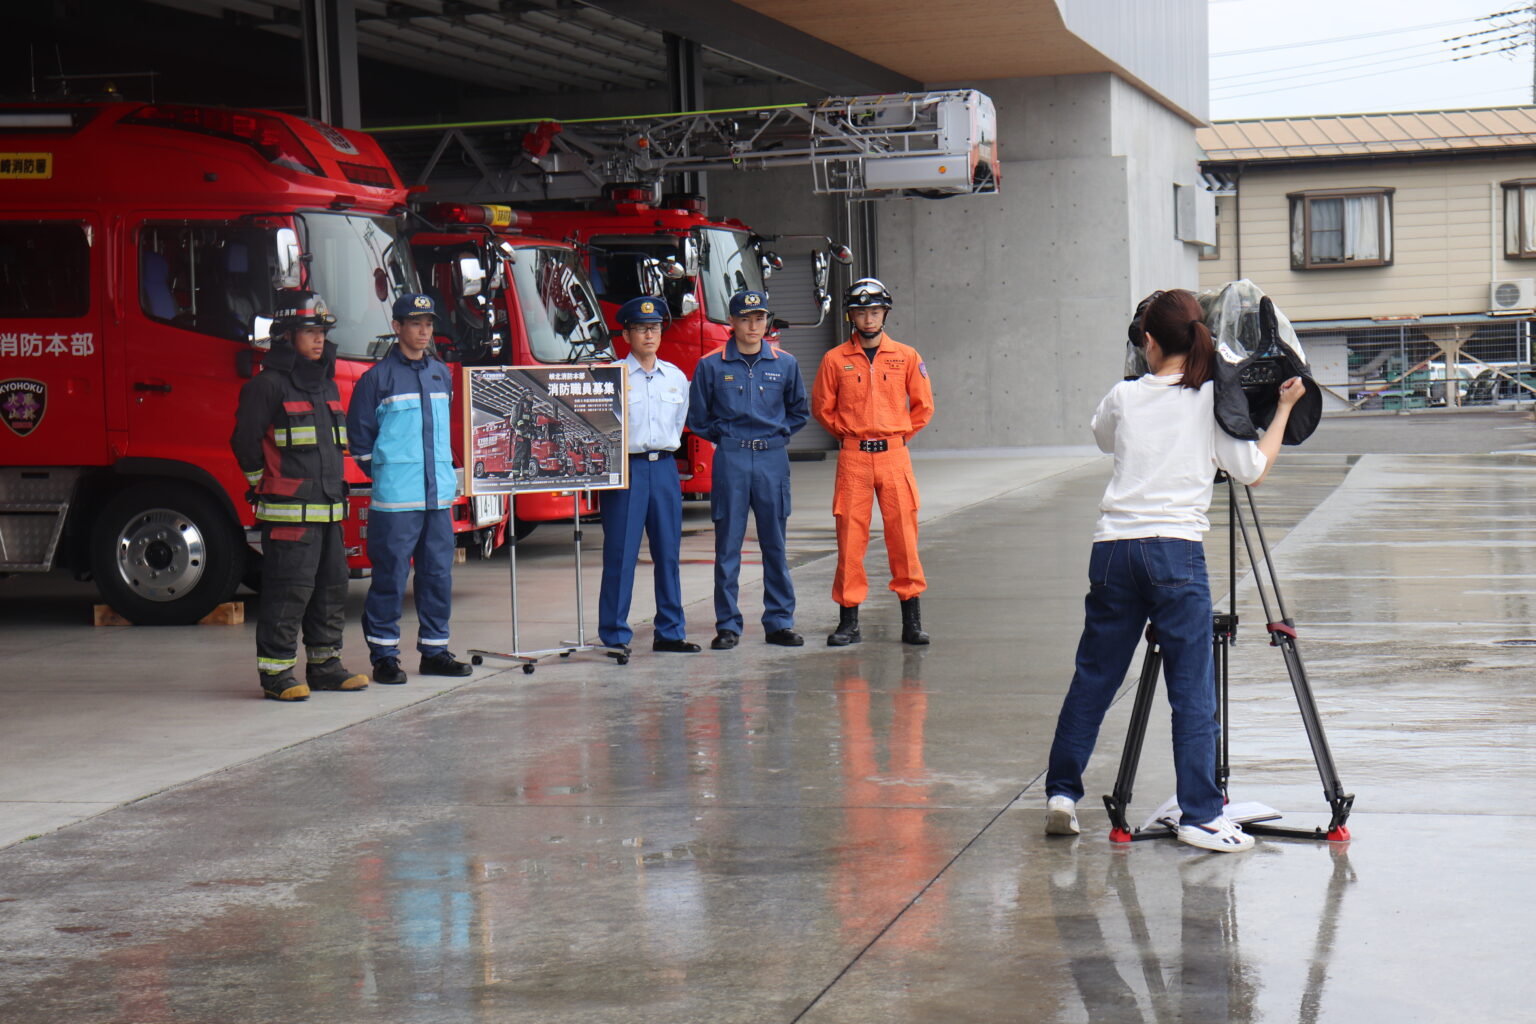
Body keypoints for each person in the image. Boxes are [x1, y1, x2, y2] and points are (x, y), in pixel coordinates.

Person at [1043, 288, 1304, 853]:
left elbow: (1104, 438)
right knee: (1190, 689)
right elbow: (1251, 469)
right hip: (1175, 553)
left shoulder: (1123, 395)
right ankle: (1201, 814)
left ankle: (1061, 795)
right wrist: (1281, 409)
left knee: (1095, 677)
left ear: (1149, 341)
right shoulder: (1212, 398)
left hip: (1113, 550)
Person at [230, 292, 368, 702]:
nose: (319, 340)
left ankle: (326, 666)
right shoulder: (266, 386)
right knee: (289, 591)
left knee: (331, 588)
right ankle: (277, 674)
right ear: (287, 337)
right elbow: (244, 442)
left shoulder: (325, 385)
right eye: (310, 332)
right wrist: (263, 483)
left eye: (322, 332)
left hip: (328, 514)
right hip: (289, 517)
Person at [347, 293, 472, 685]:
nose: (423, 331)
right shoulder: (376, 379)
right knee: (390, 577)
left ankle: (435, 651)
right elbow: (360, 442)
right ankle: (384, 656)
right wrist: (389, 473)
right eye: (415, 323)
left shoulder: (440, 373)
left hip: (437, 500)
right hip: (397, 500)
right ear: (397, 327)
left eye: (429, 324)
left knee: (437, 575)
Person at [811, 278, 935, 647]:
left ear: (885, 313)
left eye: (875, 311)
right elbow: (822, 407)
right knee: (850, 538)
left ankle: (911, 621)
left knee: (903, 537)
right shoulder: (835, 359)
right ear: (851, 316)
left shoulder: (907, 356)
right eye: (861, 312)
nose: (868, 318)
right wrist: (852, 434)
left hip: (895, 457)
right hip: (854, 459)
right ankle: (849, 621)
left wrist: (895, 437)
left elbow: (923, 406)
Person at [686, 290, 810, 649]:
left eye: (759, 318)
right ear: (732, 323)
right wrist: (728, 439)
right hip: (733, 459)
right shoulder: (711, 365)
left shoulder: (785, 363)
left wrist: (775, 435)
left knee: (775, 543)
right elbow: (699, 418)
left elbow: (799, 411)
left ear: (766, 322)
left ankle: (779, 621)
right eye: (745, 318)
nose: (753, 326)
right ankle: (727, 624)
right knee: (728, 545)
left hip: (772, 459)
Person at [599, 296, 701, 658]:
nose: (649, 334)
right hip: (627, 468)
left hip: (664, 469)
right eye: (641, 328)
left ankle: (670, 632)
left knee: (668, 553)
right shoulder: (611, 377)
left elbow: (678, 424)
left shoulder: (675, 377)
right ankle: (614, 634)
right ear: (626, 334)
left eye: (655, 328)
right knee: (621, 553)